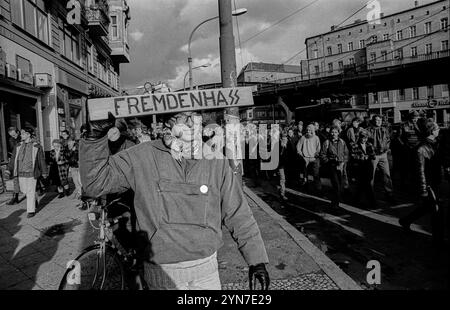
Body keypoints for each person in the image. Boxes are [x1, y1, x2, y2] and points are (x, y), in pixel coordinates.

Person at [79, 111, 270, 290]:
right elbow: (96, 183)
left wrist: (256, 260)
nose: (188, 124)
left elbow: (238, 212)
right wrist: (95, 138)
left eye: (192, 119)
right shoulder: (141, 156)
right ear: (167, 126)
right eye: (181, 118)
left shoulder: (215, 160)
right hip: (161, 273)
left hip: (207, 272)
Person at [399, 119, 443, 244]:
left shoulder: (435, 143)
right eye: (436, 128)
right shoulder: (421, 148)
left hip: (435, 181)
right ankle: (438, 239)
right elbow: (420, 171)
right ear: (431, 131)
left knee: (427, 207)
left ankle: (406, 220)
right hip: (428, 185)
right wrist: (424, 190)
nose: (439, 130)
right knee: (437, 211)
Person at [5, 127, 47, 218]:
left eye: (23, 133)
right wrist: (9, 169)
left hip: (32, 172)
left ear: (28, 135)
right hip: (20, 172)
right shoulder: (18, 146)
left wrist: (44, 171)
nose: (21, 135)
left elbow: (41, 160)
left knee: (30, 191)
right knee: (24, 190)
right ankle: (34, 199)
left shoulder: (37, 146)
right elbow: (13, 159)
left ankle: (31, 210)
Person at [367, 115, 395, 203]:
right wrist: (371, 151)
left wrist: (386, 148)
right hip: (373, 155)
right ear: (373, 121)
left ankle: (389, 194)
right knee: (371, 176)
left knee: (386, 174)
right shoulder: (368, 130)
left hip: (383, 155)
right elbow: (366, 142)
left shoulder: (385, 129)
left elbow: (388, 140)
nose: (377, 121)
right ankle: (371, 196)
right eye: (376, 120)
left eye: (379, 120)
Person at [320, 125, 349, 208]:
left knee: (340, 184)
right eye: (332, 132)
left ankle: (335, 201)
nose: (334, 134)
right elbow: (322, 155)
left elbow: (346, 153)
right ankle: (335, 204)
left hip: (341, 165)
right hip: (332, 166)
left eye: (335, 132)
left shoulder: (342, 142)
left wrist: (343, 162)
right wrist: (329, 161)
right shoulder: (327, 142)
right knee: (336, 184)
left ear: (338, 133)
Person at [350, 130, 376, 207]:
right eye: (362, 137)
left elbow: (373, 155)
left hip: (368, 167)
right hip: (359, 167)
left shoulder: (369, 145)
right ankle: (371, 202)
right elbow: (352, 156)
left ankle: (357, 200)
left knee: (365, 185)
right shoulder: (355, 145)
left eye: (365, 138)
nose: (364, 139)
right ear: (359, 137)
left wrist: (368, 156)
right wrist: (361, 157)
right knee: (363, 185)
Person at [397, 111, 422, 186]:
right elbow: (398, 137)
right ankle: (404, 183)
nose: (415, 119)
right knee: (405, 166)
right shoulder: (403, 125)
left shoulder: (420, 125)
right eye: (414, 118)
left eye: (417, 118)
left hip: (417, 149)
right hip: (406, 149)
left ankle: (414, 182)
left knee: (416, 167)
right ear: (410, 117)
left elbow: (422, 136)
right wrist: (404, 145)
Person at [297, 124, 322, 192]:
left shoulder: (316, 138)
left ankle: (318, 189)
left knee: (316, 174)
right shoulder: (303, 137)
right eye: (307, 130)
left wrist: (315, 155)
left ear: (313, 130)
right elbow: (298, 147)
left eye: (310, 130)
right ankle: (306, 187)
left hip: (314, 158)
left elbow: (318, 148)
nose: (308, 131)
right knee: (305, 175)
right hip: (305, 158)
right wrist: (302, 155)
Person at [6, 127, 21, 205]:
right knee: (15, 179)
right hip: (14, 160)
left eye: (14, 134)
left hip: (23, 161)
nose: (13, 136)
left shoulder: (23, 138)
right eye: (11, 135)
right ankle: (15, 197)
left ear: (17, 132)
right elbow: (11, 151)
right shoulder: (10, 140)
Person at [278, 134, 290, 200]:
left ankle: (283, 192)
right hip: (281, 166)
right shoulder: (278, 147)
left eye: (285, 139)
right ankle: (282, 194)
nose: (284, 140)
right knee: (282, 179)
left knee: (285, 179)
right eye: (283, 139)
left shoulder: (289, 147)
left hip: (287, 166)